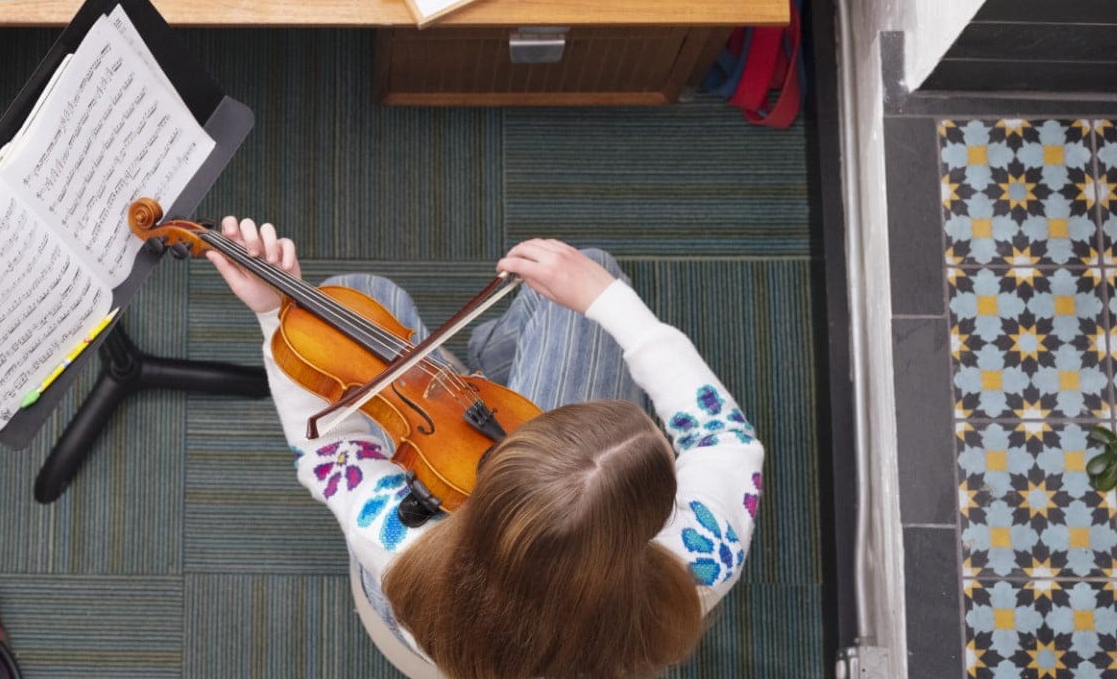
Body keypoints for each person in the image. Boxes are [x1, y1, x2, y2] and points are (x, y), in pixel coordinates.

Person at [206, 220, 763, 679]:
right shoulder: (703, 553)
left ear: (490, 485)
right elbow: (722, 439)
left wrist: (277, 313)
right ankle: (495, 360)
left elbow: (329, 450)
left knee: (363, 297)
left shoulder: (403, 547)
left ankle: (493, 361)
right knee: (585, 273)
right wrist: (607, 300)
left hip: (424, 627)